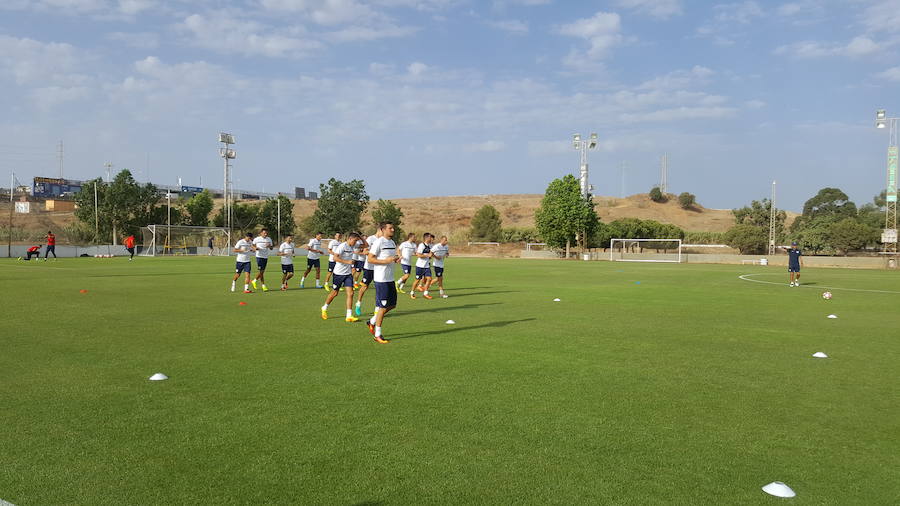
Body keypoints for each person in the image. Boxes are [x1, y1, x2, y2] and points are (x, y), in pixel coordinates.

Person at [366, 222, 399, 344]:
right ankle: (377, 334)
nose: (393, 229)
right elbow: (370, 258)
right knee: (382, 307)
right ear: (383, 229)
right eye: (390, 228)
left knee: (392, 305)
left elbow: (390, 257)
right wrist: (386, 261)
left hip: (390, 278)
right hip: (381, 279)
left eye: (393, 227)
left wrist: (395, 259)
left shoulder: (392, 242)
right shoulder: (378, 242)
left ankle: (372, 321)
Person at [321, 233, 362, 322]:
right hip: (338, 274)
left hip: (348, 274)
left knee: (350, 293)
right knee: (335, 293)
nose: (356, 243)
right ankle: (324, 307)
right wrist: (347, 262)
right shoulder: (342, 246)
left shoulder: (353, 245)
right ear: (350, 239)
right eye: (355, 240)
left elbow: (366, 245)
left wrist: (360, 237)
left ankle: (349, 316)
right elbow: (335, 258)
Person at [354, 229, 382, 316]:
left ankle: (377, 309)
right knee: (365, 286)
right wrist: (374, 253)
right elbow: (365, 251)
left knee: (379, 288)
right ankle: (358, 304)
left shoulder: (383, 240)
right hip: (369, 267)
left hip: (379, 267)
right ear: (380, 230)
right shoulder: (370, 239)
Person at [410, 233, 434, 300]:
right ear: (426, 238)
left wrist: (431, 255)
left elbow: (430, 254)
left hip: (426, 266)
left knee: (429, 279)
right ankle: (412, 292)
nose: (431, 238)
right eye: (430, 237)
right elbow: (418, 255)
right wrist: (427, 256)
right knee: (417, 280)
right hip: (420, 266)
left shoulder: (430, 245)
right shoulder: (421, 245)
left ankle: (425, 293)